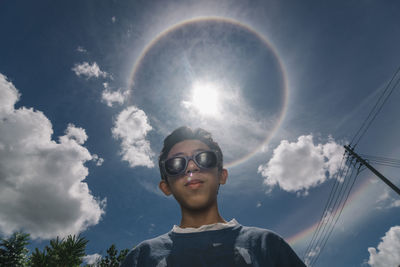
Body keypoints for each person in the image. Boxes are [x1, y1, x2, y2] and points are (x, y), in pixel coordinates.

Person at [121, 126, 306, 267]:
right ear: (166, 186)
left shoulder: (266, 245)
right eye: (176, 163)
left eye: (204, 158)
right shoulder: (142, 257)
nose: (191, 167)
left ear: (222, 175)